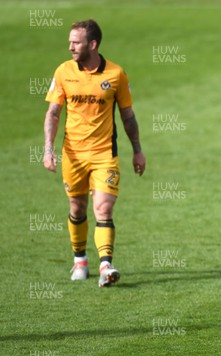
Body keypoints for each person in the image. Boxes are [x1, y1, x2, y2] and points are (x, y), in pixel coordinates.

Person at [43, 19, 146, 287]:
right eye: (69, 42)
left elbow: (128, 116)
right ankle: (80, 261)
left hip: (104, 154)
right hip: (73, 155)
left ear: (92, 44)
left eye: (76, 42)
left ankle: (105, 265)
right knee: (77, 208)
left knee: (103, 207)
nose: (70, 47)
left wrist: (138, 151)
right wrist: (47, 149)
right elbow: (53, 113)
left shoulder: (116, 74)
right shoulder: (63, 72)